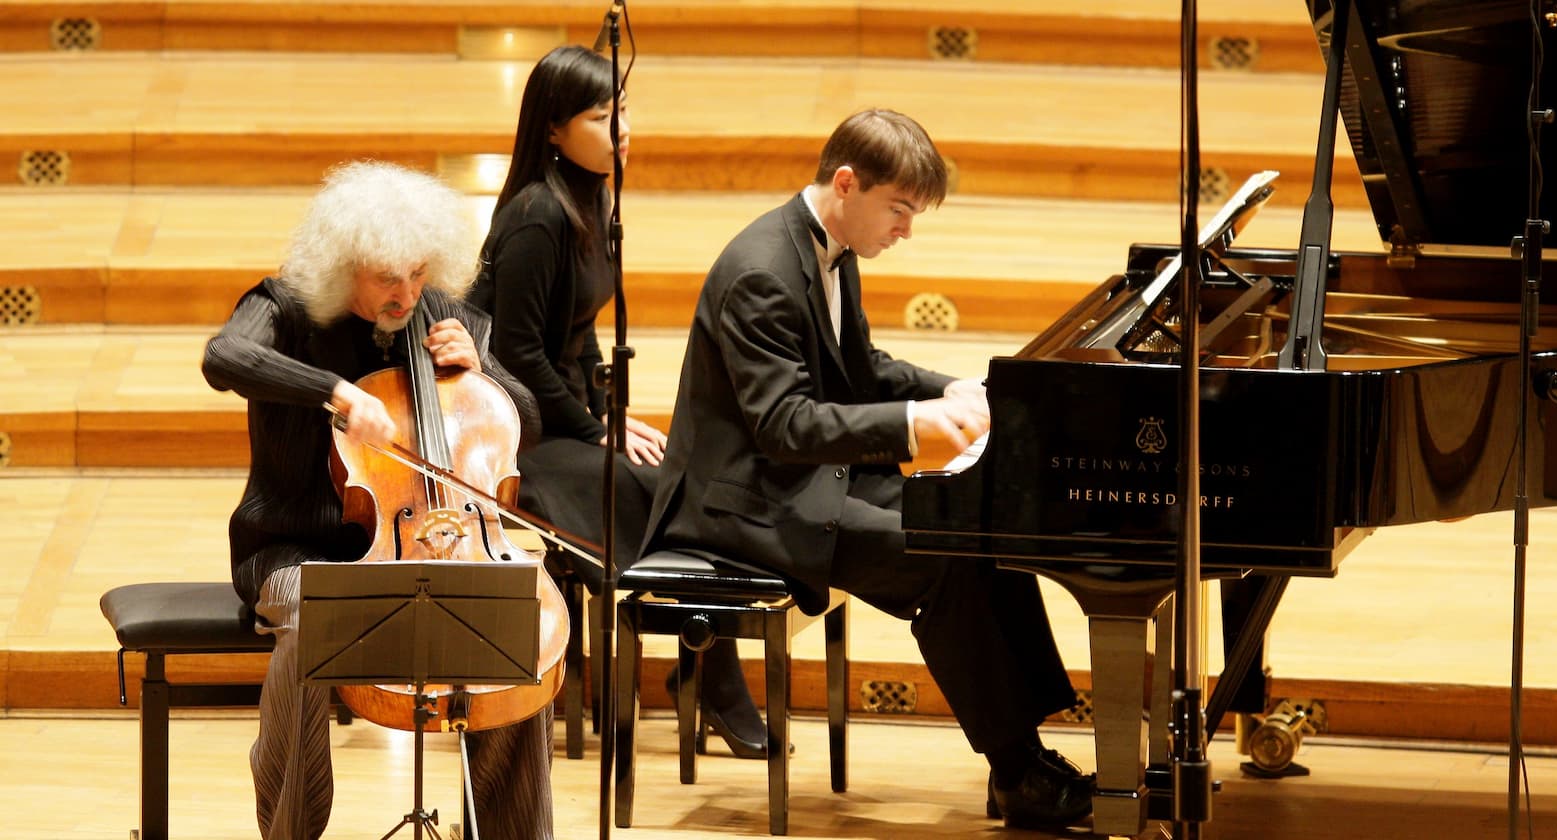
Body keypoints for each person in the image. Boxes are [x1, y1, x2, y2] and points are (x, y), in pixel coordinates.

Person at [641, 109, 1094, 829]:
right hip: (740, 501)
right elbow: (784, 424)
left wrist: (950, 387)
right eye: (901, 211)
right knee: (940, 561)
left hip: (796, 477)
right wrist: (914, 427)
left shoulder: (832, 248)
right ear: (847, 184)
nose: (906, 230)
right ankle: (1017, 773)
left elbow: (862, 370)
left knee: (974, 523)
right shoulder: (761, 270)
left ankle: (1024, 757)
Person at [202, 160, 556, 839]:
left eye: (419, 273)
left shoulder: (447, 318)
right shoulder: (284, 308)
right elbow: (224, 359)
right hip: (292, 544)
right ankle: (289, 831)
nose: (407, 294)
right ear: (344, 266)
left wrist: (487, 376)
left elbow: (529, 427)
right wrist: (334, 392)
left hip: (436, 540)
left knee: (519, 628)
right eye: (387, 278)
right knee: (315, 620)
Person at [467, 44, 770, 758]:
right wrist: (590, 428)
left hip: (564, 414)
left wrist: (608, 415)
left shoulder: (591, 197)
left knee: (685, 475)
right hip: (517, 428)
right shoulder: (540, 216)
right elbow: (515, 357)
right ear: (552, 129)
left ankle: (704, 661)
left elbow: (580, 334)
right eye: (602, 116)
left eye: (623, 111)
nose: (621, 128)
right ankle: (711, 672)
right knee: (657, 491)